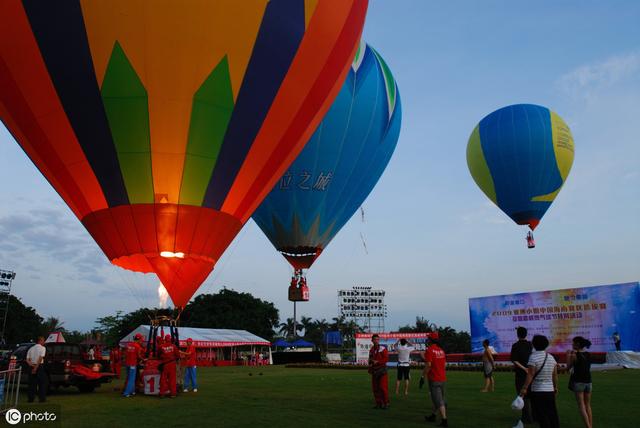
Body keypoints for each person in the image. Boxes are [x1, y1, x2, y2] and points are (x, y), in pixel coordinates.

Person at [519, 335, 559, 428]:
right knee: (552, 414)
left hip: (537, 391)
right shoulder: (551, 357)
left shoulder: (533, 357)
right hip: (549, 390)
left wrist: (524, 388)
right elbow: (555, 375)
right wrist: (555, 387)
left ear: (534, 345)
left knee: (541, 415)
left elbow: (530, 374)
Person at [422, 333, 448, 427]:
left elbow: (428, 365)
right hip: (442, 378)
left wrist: (422, 376)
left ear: (431, 340)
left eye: (428, 338)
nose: (427, 340)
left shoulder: (429, 350)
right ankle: (433, 415)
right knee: (437, 399)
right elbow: (444, 365)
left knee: (438, 400)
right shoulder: (441, 350)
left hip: (434, 378)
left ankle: (444, 420)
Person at [567, 336, 593, 428]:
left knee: (581, 406)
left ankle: (588, 427)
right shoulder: (588, 354)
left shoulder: (574, 355)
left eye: (573, 343)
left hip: (579, 382)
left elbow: (568, 367)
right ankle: (590, 426)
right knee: (588, 405)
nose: (572, 344)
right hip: (588, 381)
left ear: (577, 344)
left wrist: (568, 355)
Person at [511, 327, 534, 425]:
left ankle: (526, 418)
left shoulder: (515, 345)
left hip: (521, 374)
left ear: (517, 334)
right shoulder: (530, 345)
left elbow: (514, 360)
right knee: (531, 396)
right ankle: (534, 416)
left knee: (522, 396)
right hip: (532, 373)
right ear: (526, 334)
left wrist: (524, 368)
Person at [368, 334, 389, 409]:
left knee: (383, 387)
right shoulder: (371, 350)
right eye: (375, 339)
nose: (376, 341)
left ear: (379, 340)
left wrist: (377, 362)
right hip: (374, 371)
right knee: (375, 388)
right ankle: (378, 403)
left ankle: (386, 403)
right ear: (372, 340)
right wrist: (370, 367)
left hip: (382, 370)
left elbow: (386, 359)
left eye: (377, 339)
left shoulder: (382, 348)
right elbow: (370, 360)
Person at [26, 336, 47, 403]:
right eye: (43, 340)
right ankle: (42, 398)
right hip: (39, 366)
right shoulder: (43, 348)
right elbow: (40, 358)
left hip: (32, 366)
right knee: (42, 383)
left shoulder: (31, 349)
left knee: (32, 383)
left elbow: (27, 359)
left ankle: (31, 398)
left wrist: (31, 365)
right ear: (40, 341)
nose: (44, 342)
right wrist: (35, 368)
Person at [122, 333, 145, 397]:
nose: (141, 341)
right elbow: (139, 356)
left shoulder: (128, 345)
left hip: (127, 364)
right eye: (141, 340)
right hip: (132, 364)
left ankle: (132, 391)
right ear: (139, 339)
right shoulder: (138, 347)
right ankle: (126, 393)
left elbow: (125, 354)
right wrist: (143, 360)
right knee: (131, 379)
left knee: (129, 377)